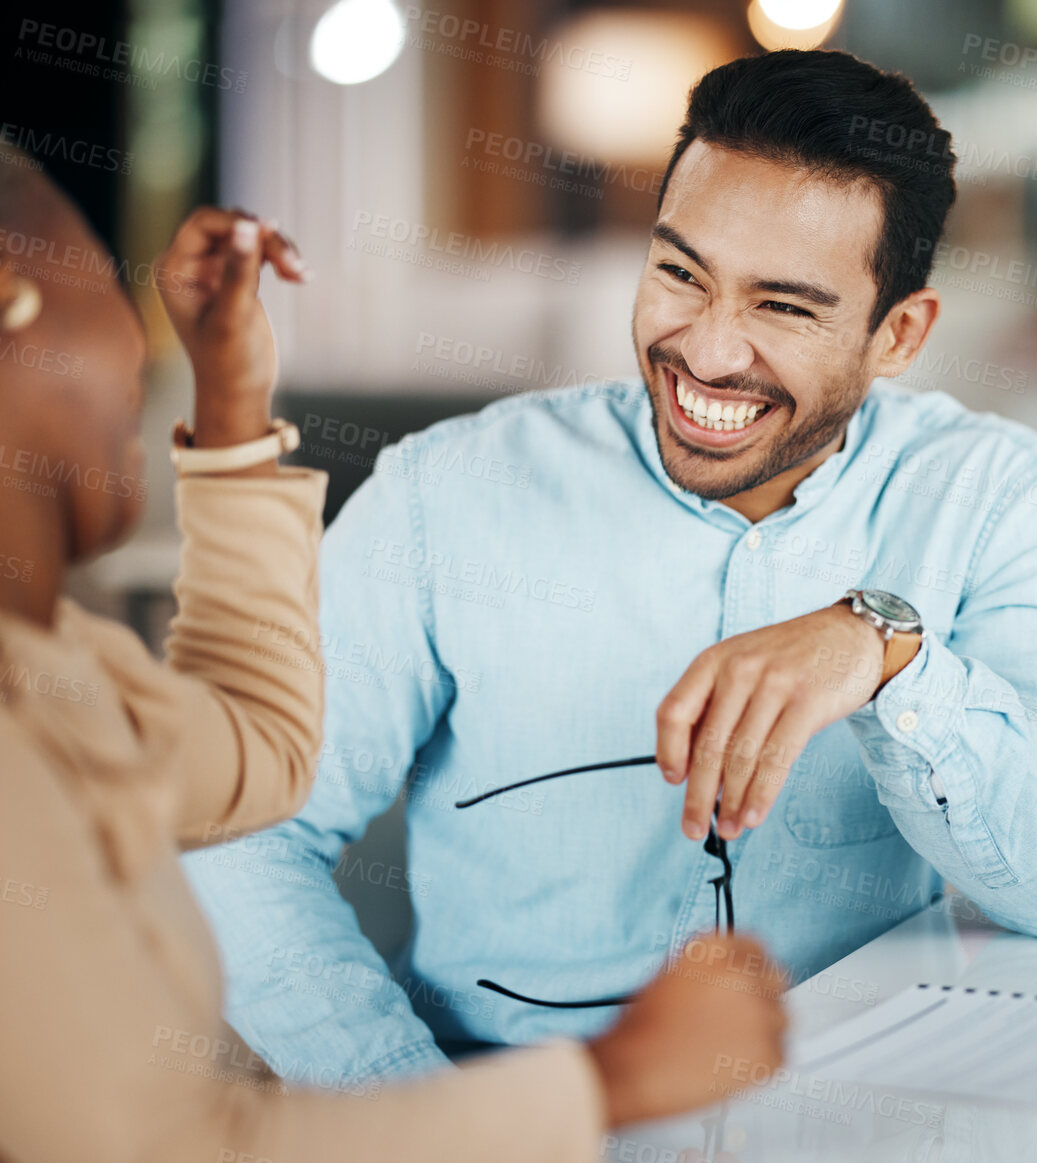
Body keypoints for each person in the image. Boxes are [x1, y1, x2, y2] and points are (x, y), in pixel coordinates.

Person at [187, 48, 1037, 1084]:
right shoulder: (443, 494)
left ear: (896, 335)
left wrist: (888, 657)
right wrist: (420, 1114)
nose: (709, 353)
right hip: (516, 1106)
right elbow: (239, 835)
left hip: (855, 1117)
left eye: (784, 307)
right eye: (681, 274)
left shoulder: (997, 496)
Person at [0, 149, 784, 1160]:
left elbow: (258, 752)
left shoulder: (60, 670)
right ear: (13, 300)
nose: (140, 351)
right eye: (105, 279)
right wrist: (615, 1078)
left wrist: (233, 403)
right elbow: (176, 1145)